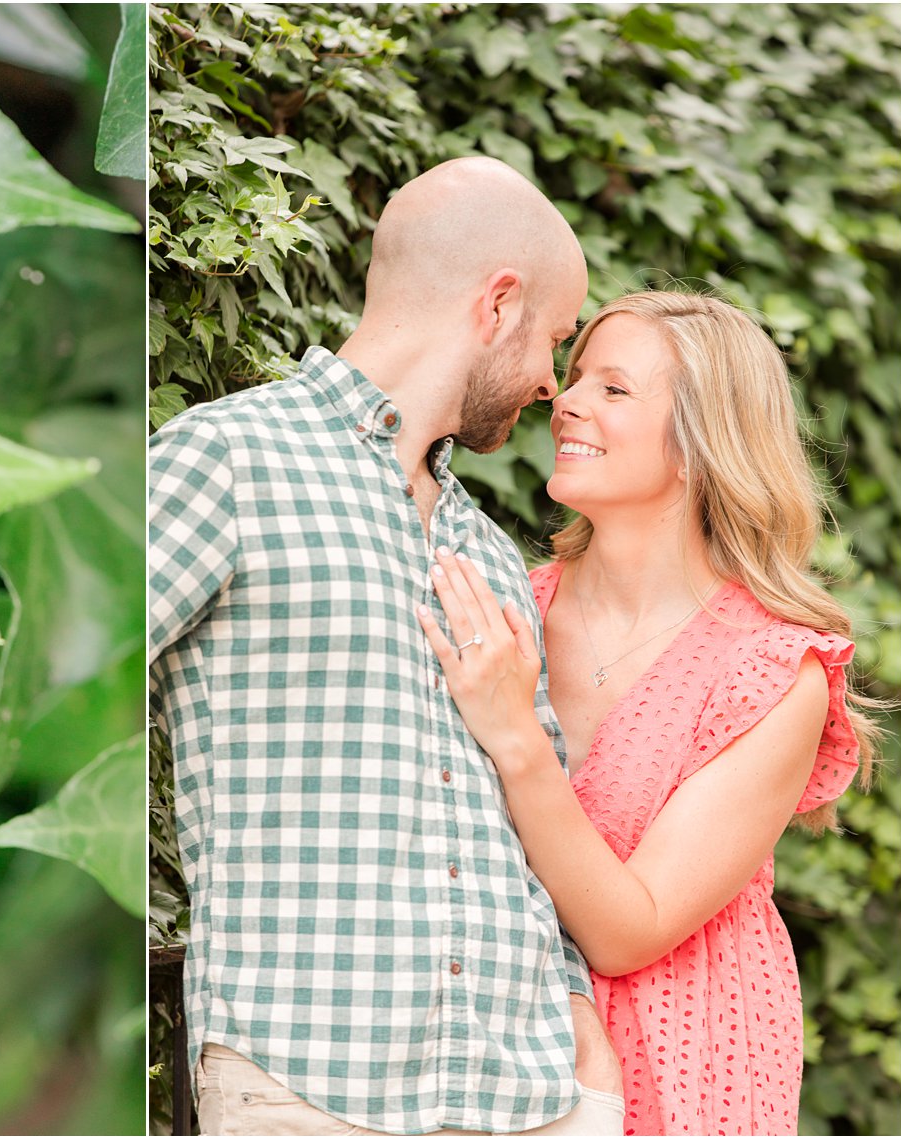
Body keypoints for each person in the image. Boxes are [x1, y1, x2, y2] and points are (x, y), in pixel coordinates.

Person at [149, 156, 626, 1135]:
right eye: (554, 338)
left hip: (527, 1097)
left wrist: (579, 1035)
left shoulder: (489, 551)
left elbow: (519, 814)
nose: (548, 379)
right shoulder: (229, 458)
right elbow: (53, 684)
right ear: (497, 303)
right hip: (305, 1084)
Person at [417, 289, 876, 1135]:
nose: (568, 399)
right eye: (577, 373)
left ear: (705, 442)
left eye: (615, 389)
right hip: (494, 1049)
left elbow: (633, 929)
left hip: (686, 1058)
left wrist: (517, 736)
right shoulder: (508, 608)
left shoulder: (773, 669)